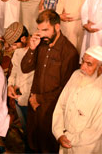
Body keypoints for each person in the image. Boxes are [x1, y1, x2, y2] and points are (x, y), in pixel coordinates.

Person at [21, 10, 81, 153]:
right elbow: (25, 68)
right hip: (34, 107)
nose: (41, 34)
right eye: (39, 30)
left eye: (45, 30)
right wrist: (31, 49)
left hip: (51, 110)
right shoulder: (40, 43)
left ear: (57, 27)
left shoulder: (69, 53)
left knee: (47, 147)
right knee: (32, 143)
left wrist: (40, 99)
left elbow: (66, 89)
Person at [52, 45, 102, 154]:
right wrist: (59, 133)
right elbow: (60, 106)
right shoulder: (76, 75)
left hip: (87, 148)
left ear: (101, 68)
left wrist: (68, 138)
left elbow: (96, 131)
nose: (82, 67)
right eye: (83, 61)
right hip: (65, 142)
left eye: (89, 64)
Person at [4, 22, 34, 131]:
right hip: (18, 96)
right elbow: (15, 69)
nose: (12, 48)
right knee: (25, 126)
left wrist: (22, 92)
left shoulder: (36, 51)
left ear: (23, 39)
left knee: (33, 129)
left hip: (30, 99)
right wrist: (10, 85)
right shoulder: (18, 51)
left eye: (14, 44)